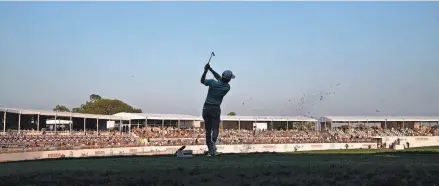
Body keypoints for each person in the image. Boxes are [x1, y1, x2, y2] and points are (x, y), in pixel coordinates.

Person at [200, 63, 235, 156]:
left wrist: (206, 70)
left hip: (206, 107)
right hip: (215, 108)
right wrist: (210, 69)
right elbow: (220, 78)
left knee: (208, 129)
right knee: (215, 129)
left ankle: (210, 149)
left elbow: (202, 81)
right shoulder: (227, 87)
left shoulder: (212, 82)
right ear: (228, 79)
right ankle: (213, 148)